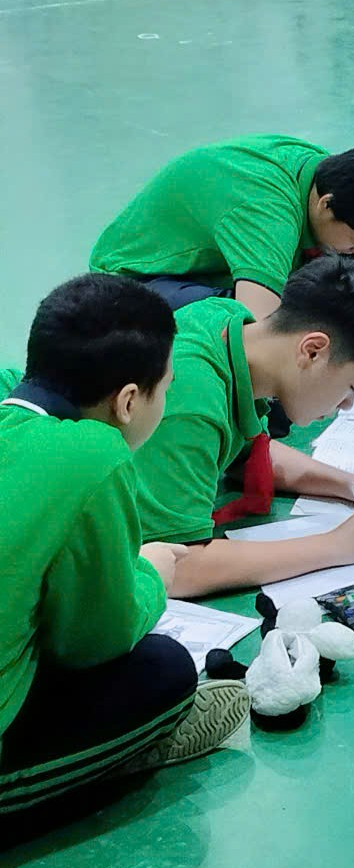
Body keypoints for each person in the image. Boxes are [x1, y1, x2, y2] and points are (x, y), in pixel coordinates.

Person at [0, 275, 249, 816]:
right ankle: (104, 762)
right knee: (165, 669)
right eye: (168, 388)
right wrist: (150, 576)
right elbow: (92, 643)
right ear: (129, 401)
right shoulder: (94, 454)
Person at [131, 255, 354, 598]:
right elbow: (177, 567)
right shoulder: (191, 400)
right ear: (313, 351)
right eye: (353, 386)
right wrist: (336, 546)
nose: (347, 404)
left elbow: (249, 451)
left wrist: (353, 485)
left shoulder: (230, 321)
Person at [90, 134, 354, 382]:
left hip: (251, 261)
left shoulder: (338, 180)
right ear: (326, 206)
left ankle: (323, 308)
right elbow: (257, 342)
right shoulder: (267, 213)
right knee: (228, 322)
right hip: (142, 281)